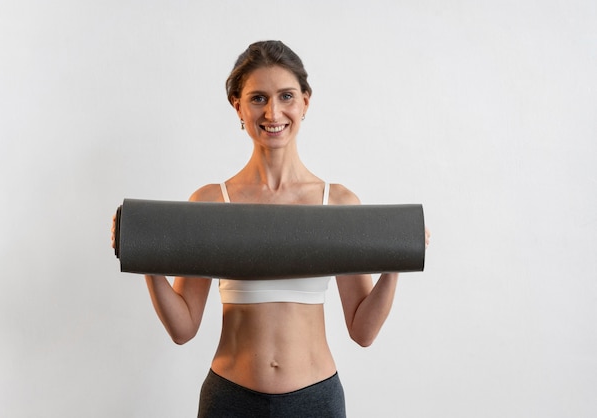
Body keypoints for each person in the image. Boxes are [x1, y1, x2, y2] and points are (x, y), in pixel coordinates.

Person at [113, 40, 430, 417]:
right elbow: (183, 328)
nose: (273, 112)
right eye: (258, 98)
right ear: (239, 107)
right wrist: (145, 253)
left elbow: (362, 331)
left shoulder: (338, 204)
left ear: (305, 102)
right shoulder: (212, 203)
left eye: (286, 96)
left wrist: (397, 257)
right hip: (230, 398)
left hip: (316, 399)